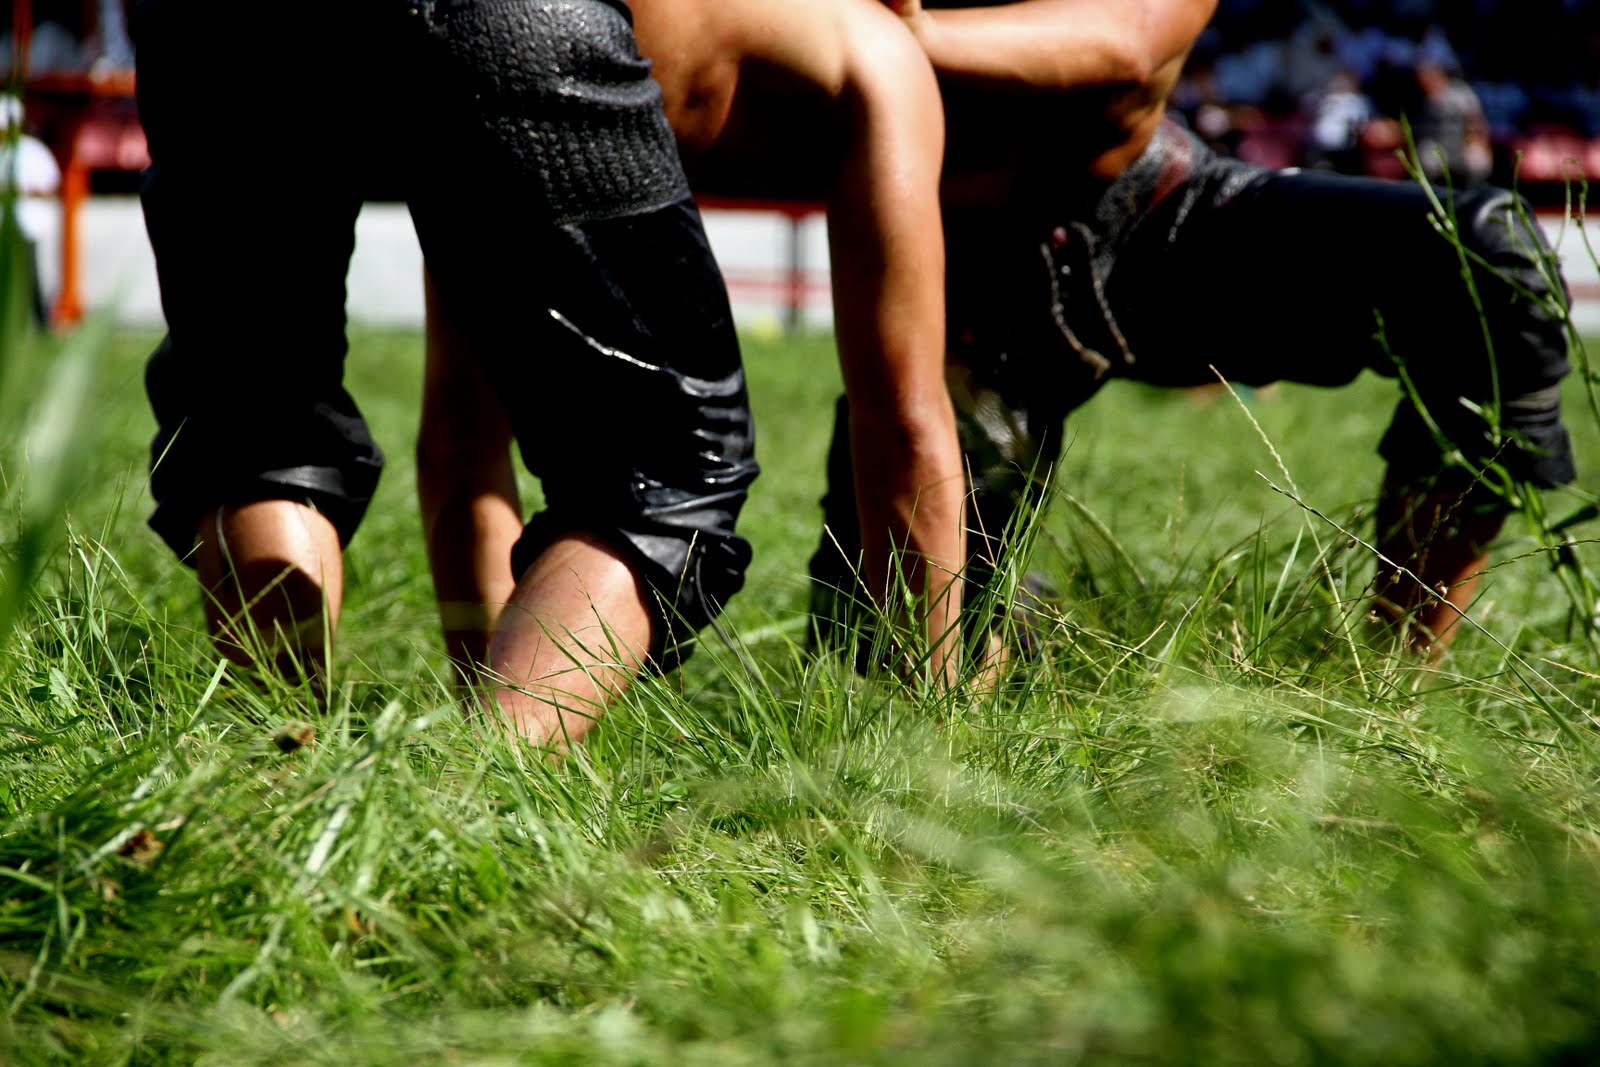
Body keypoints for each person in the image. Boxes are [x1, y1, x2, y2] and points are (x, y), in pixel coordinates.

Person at [809, 0, 1576, 659]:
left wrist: (892, 37)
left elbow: (1128, 47)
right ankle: (1038, 635)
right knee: (889, 647)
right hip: (958, 269)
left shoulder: (894, 31)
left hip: (1151, 212)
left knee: (1483, 263)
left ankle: (1394, 675)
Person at [133, 0, 762, 748]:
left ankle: (278, 772)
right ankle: (478, 793)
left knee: (260, 423)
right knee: (660, 466)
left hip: (208, 31)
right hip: (497, 22)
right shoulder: (860, 46)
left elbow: (459, 438)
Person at [418, 0, 965, 690]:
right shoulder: (875, 54)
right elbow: (904, 421)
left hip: (440, 42)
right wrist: (937, 708)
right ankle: (506, 738)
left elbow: (459, 439)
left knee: (333, 442)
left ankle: (480, 729)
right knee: (670, 482)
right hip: (536, 45)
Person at [1, 95, 62, 328]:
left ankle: (40, 320)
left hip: (28, 222)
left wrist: (22, 191)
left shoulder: (33, 150)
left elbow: (50, 183)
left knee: (31, 274)